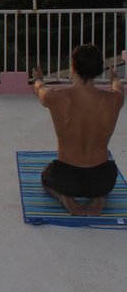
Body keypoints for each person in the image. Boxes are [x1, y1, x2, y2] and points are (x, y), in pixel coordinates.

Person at [33, 43, 124, 216]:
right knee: (107, 175)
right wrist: (114, 78)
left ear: (73, 67)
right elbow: (119, 88)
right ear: (98, 69)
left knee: (46, 177)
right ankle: (98, 196)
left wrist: (38, 78)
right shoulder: (114, 100)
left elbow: (39, 89)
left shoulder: (56, 97)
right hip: (101, 179)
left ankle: (64, 197)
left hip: (66, 179)